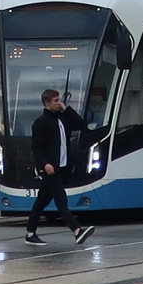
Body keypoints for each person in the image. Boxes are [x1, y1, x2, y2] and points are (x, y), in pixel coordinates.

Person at [26, 88, 95, 247]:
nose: (59, 103)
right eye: (56, 101)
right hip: (50, 168)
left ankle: (30, 233)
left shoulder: (63, 119)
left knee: (41, 201)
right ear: (47, 103)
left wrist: (66, 109)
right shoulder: (41, 122)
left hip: (62, 168)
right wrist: (44, 164)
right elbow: (36, 147)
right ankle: (77, 231)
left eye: (59, 100)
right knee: (61, 199)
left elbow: (81, 125)